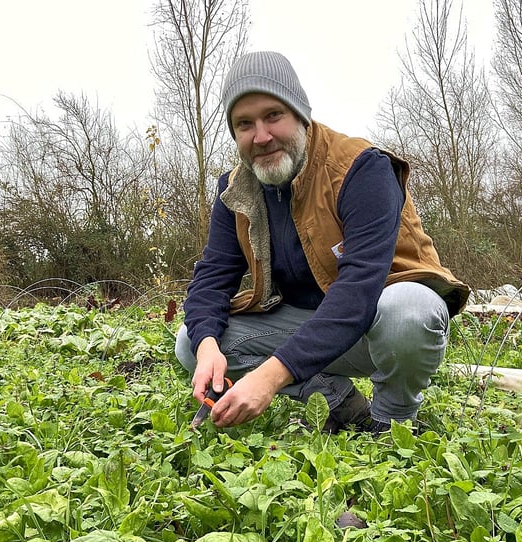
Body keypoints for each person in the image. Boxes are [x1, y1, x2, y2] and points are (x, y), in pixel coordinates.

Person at [174, 51, 470, 434]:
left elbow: (357, 292)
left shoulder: (361, 169)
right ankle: (338, 402)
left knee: (409, 310)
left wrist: (269, 377)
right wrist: (209, 347)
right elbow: (212, 277)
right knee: (191, 341)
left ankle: (393, 422)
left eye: (273, 116)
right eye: (244, 124)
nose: (261, 137)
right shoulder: (235, 190)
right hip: (309, 327)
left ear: (300, 114)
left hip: (375, 324)